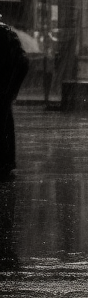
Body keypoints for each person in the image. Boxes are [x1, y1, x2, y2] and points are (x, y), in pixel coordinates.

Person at [0, 16, 29, 180]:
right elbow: (22, 61)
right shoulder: (7, 33)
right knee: (5, 122)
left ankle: (5, 163)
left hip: (5, 84)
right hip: (7, 83)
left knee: (3, 122)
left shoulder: (4, 34)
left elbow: (20, 62)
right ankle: (6, 163)